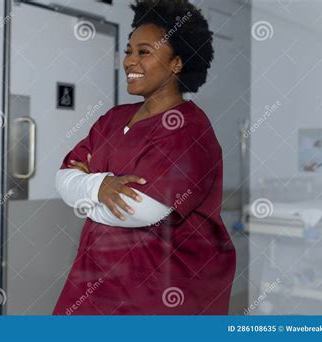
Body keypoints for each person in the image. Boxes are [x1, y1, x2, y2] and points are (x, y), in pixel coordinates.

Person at [52, 0, 236, 315]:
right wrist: (102, 187)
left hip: (163, 288)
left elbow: (145, 210)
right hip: (97, 278)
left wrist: (87, 189)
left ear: (177, 63)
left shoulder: (189, 129)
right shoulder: (112, 119)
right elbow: (63, 177)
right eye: (128, 50)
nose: (129, 61)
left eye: (144, 52)